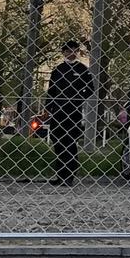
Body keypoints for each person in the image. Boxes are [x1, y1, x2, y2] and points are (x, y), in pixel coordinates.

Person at [46, 41, 95, 186]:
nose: (72, 53)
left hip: (73, 112)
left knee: (70, 142)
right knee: (58, 142)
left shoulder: (82, 69)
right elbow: (51, 91)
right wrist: (48, 108)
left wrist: (78, 99)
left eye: (75, 50)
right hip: (58, 112)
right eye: (69, 50)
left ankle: (70, 173)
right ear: (64, 52)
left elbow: (90, 88)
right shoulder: (58, 69)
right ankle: (60, 174)